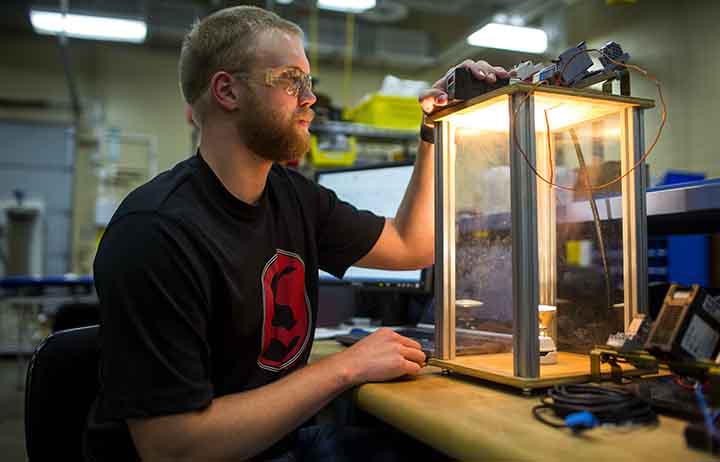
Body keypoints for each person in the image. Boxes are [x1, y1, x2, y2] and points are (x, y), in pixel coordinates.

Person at [84, 5, 510, 461]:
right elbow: (174, 448)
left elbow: (412, 245)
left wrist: (433, 129)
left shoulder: (293, 196)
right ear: (227, 90)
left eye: (309, 83)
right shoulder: (156, 233)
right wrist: (345, 367)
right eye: (291, 80)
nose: (310, 99)